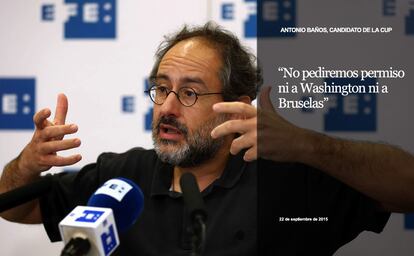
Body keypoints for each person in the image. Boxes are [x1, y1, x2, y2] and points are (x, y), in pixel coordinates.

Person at [1, 22, 414, 255]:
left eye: (190, 92)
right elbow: (16, 211)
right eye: (162, 88)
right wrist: (26, 164)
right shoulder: (121, 177)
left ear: (236, 104)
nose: (167, 107)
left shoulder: (290, 181)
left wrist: (307, 145)